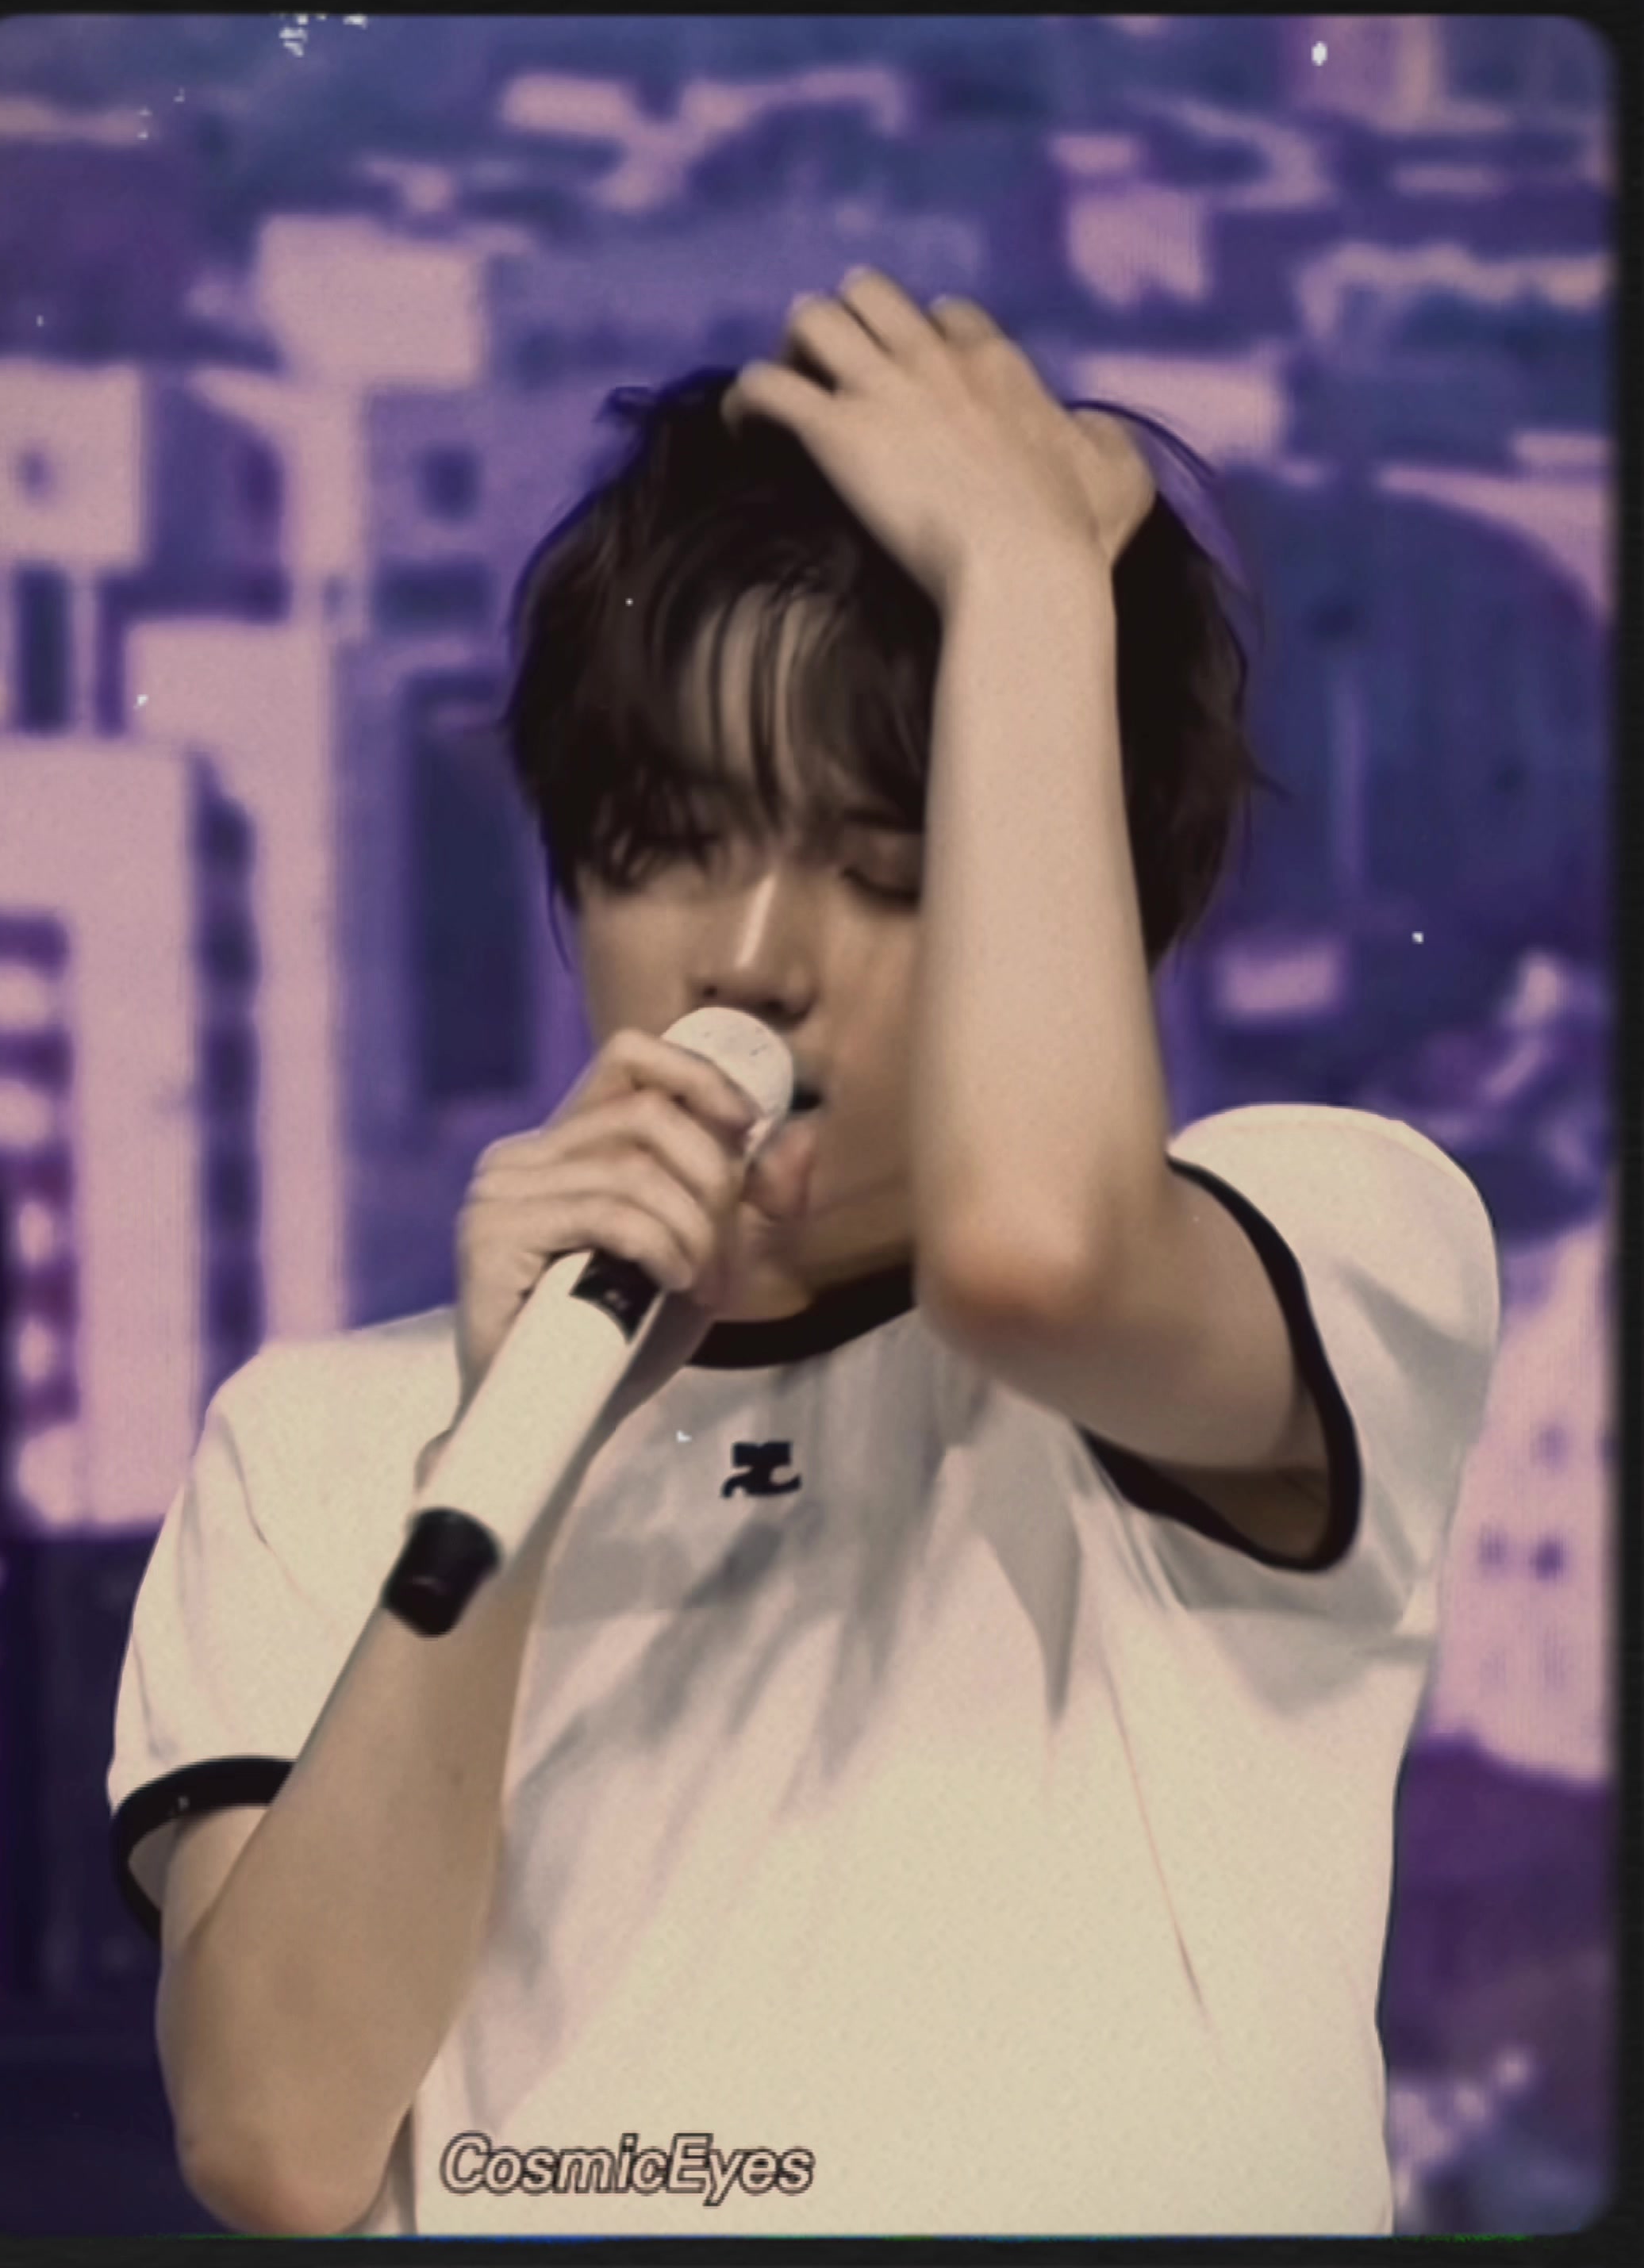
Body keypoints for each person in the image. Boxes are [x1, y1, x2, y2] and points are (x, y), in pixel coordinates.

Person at [107, 269, 1501, 2237]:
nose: (752, 959)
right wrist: (505, 1467)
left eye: (890, 871)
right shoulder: (320, 1437)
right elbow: (277, 2140)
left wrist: (1031, 583)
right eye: (668, 842)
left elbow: (1037, 1254)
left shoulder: (1331, 1233)